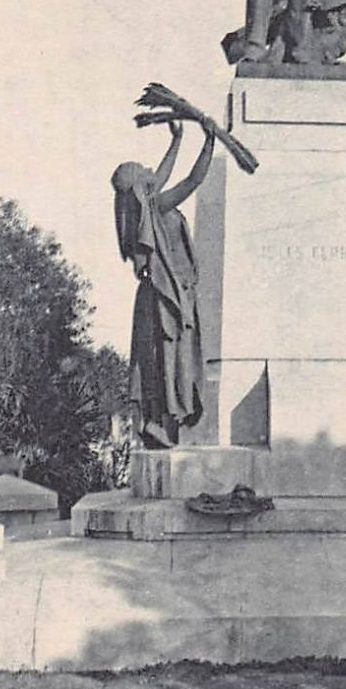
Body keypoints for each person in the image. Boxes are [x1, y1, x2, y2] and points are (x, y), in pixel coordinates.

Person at [112, 118, 216, 448]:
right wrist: (209, 141)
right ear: (141, 188)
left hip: (157, 296)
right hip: (170, 296)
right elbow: (193, 179)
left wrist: (179, 138)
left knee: (161, 361)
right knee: (173, 360)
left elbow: (162, 175)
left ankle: (159, 424)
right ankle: (168, 425)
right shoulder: (156, 207)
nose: (150, 170)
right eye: (144, 171)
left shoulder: (142, 208)